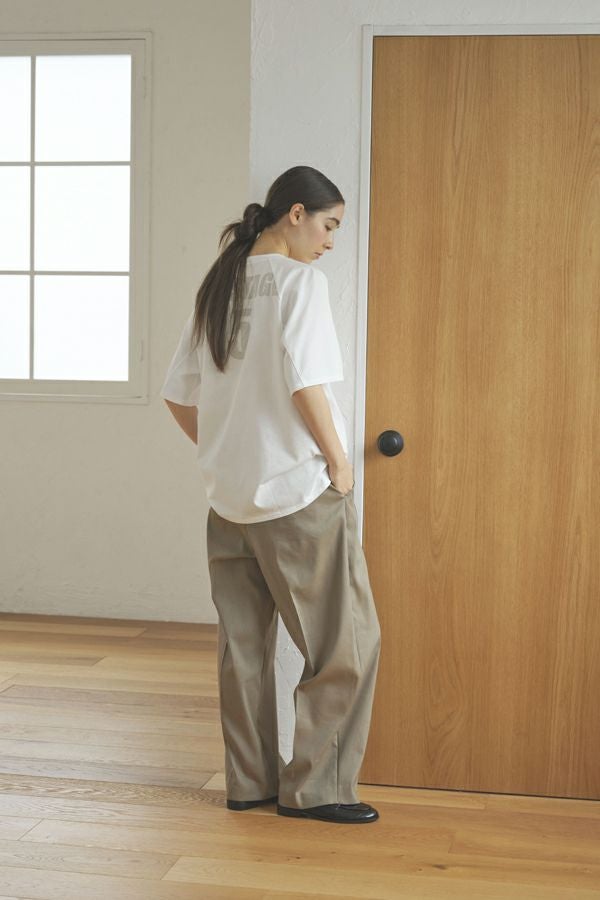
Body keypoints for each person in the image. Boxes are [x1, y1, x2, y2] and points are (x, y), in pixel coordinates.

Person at [160, 165, 381, 824]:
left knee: (244, 648)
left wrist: (224, 449)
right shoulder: (298, 283)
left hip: (228, 502)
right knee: (344, 644)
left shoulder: (220, 284)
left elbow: (177, 395)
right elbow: (306, 383)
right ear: (295, 214)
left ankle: (249, 782)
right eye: (329, 225)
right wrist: (339, 465)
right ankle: (318, 789)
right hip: (295, 498)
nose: (331, 242)